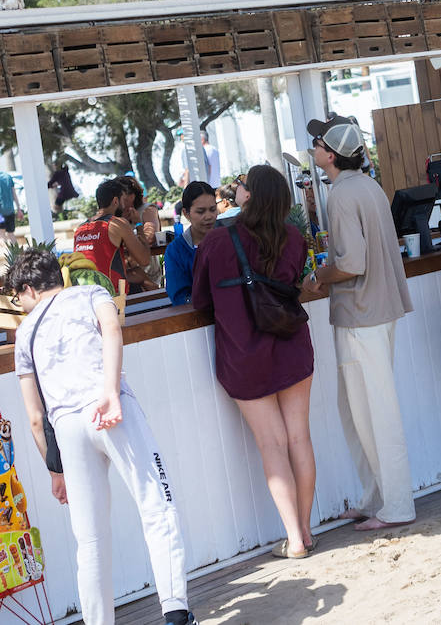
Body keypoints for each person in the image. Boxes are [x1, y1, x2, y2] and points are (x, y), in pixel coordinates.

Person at [8, 248, 196, 625]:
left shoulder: (24, 335)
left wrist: (54, 470)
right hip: (108, 407)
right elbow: (112, 330)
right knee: (157, 506)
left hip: (67, 428)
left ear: (28, 288)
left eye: (17, 298)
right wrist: (110, 390)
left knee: (90, 540)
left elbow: (34, 417)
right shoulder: (90, 294)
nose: (19, 305)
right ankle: (175, 610)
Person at [191, 165, 317, 559]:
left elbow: (199, 302)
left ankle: (293, 539)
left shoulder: (217, 241)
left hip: (244, 354)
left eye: (242, 185)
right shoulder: (294, 237)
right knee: (298, 438)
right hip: (292, 345)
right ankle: (307, 531)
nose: (237, 189)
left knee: (272, 444)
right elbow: (298, 281)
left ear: (250, 195)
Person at [301, 115, 416, 531]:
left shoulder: (343, 195)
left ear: (329, 155)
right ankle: (376, 498)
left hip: (361, 314)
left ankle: (397, 504)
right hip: (373, 311)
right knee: (358, 409)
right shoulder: (367, 186)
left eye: (316, 143)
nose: (312, 149)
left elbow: (350, 264)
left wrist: (317, 278)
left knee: (373, 411)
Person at [72, 179, 152, 292]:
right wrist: (138, 224)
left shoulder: (80, 228)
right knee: (145, 280)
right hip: (111, 294)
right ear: (115, 201)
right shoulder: (117, 223)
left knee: (139, 274)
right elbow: (144, 260)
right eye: (123, 200)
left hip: (86, 292)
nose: (124, 205)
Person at [164, 182, 218, 305]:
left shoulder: (229, 240)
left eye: (212, 209)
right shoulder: (176, 251)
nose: (208, 216)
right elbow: (179, 297)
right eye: (201, 211)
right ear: (186, 213)